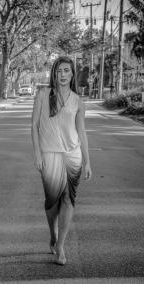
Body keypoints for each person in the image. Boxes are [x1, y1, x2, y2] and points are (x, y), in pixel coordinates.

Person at [31, 56, 92, 266]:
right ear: (53, 74)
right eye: (59, 71)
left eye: (66, 71)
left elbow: (82, 132)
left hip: (72, 155)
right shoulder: (42, 95)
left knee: (68, 200)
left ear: (72, 74)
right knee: (51, 202)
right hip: (49, 154)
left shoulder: (78, 101)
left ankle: (61, 245)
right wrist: (37, 153)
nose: (63, 75)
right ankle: (53, 233)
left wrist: (87, 162)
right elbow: (34, 126)